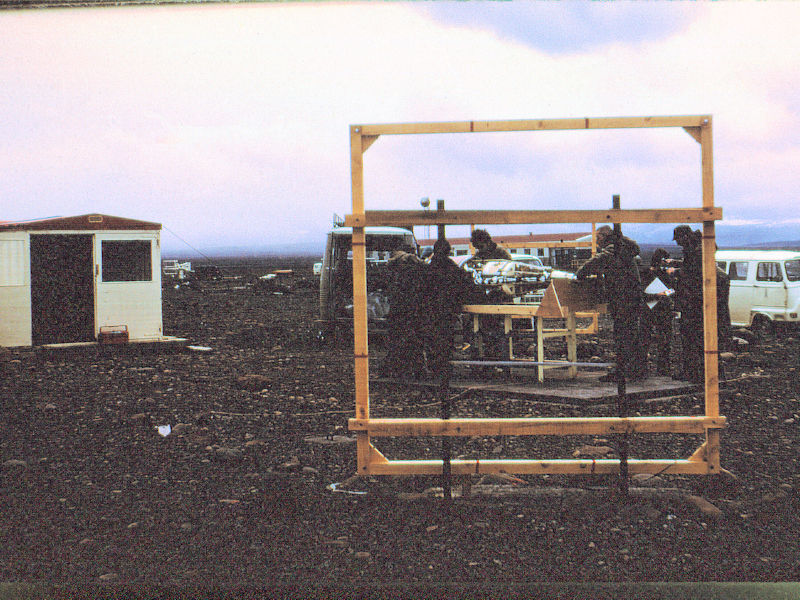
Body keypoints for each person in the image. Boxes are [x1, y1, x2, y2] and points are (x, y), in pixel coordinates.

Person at [576, 225, 647, 382]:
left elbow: (598, 261)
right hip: (631, 298)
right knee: (631, 334)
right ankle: (636, 370)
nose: (596, 241)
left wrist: (581, 273)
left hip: (623, 299)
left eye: (597, 237)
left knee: (623, 335)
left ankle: (623, 372)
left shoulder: (615, 249)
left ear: (603, 236)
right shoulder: (624, 248)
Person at [418, 239, 478, 376]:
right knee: (446, 340)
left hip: (431, 310)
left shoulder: (429, 267)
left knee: (433, 340)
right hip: (447, 310)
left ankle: (435, 368)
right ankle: (445, 368)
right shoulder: (453, 267)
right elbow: (465, 285)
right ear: (448, 251)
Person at [379, 249, 425, 378]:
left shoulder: (393, 272)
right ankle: (415, 369)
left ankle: (395, 369)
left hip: (397, 312)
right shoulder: (414, 270)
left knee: (397, 342)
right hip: (411, 312)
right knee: (413, 341)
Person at [671, 225, 704, 383]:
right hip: (695, 301)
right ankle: (697, 372)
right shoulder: (698, 247)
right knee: (695, 338)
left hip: (693, 301)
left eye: (678, 239)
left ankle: (693, 373)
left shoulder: (696, 251)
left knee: (691, 337)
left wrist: (675, 272)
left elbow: (693, 272)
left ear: (684, 236)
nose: (677, 243)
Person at [642, 248, 675, 377]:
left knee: (664, 341)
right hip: (653, 309)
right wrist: (658, 295)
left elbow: (672, 289)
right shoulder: (647, 274)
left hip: (658, 310)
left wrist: (663, 294)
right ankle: (652, 367)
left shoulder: (664, 275)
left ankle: (662, 368)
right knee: (647, 340)